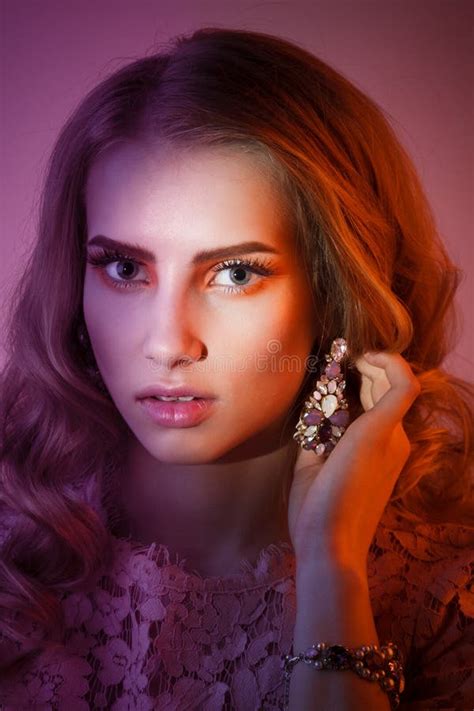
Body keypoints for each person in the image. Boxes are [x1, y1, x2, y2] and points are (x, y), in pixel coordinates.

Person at [0, 26, 472, 711]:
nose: (169, 344)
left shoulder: (445, 588)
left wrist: (333, 569)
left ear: (337, 288)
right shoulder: (15, 533)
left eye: (235, 272)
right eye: (125, 268)